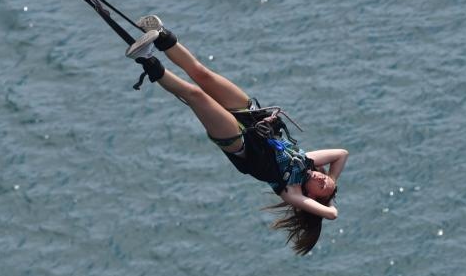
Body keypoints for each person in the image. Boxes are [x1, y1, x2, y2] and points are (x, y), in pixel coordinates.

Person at [126, 16, 348, 255]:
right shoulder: (308, 161)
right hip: (254, 117)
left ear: (311, 197)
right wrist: (333, 179)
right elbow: (341, 154)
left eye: (321, 187)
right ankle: (161, 35)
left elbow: (331, 214)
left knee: (196, 96)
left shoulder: (291, 191)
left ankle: (147, 58)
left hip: (239, 142)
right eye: (326, 181)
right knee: (203, 74)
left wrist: (329, 201)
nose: (324, 180)